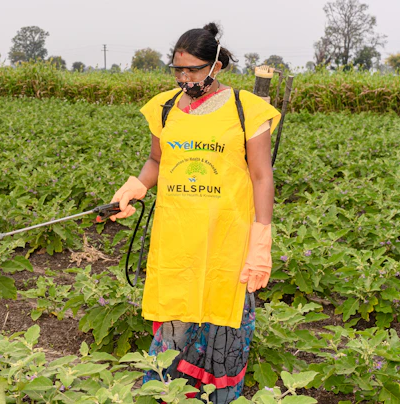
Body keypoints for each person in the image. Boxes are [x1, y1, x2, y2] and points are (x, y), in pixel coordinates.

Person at [110, 23, 281, 403]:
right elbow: (157, 159)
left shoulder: (247, 109)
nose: (185, 78)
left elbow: (261, 175)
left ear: (216, 66)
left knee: (225, 327)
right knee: (172, 325)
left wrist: (261, 239)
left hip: (228, 240)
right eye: (177, 70)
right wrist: (136, 187)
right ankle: (164, 395)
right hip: (177, 239)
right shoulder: (165, 107)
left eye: (194, 70)